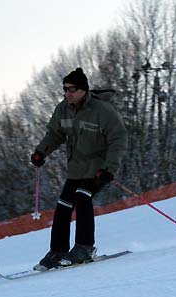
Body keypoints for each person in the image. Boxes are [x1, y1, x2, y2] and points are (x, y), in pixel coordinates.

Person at [30, 67, 127, 271]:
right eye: (65, 89)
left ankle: (84, 247)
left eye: (72, 89)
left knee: (83, 198)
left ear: (84, 89)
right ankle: (58, 251)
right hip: (76, 168)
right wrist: (41, 152)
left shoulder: (102, 111)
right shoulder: (63, 109)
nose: (68, 93)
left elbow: (118, 139)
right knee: (63, 205)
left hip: (98, 168)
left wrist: (109, 168)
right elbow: (55, 134)